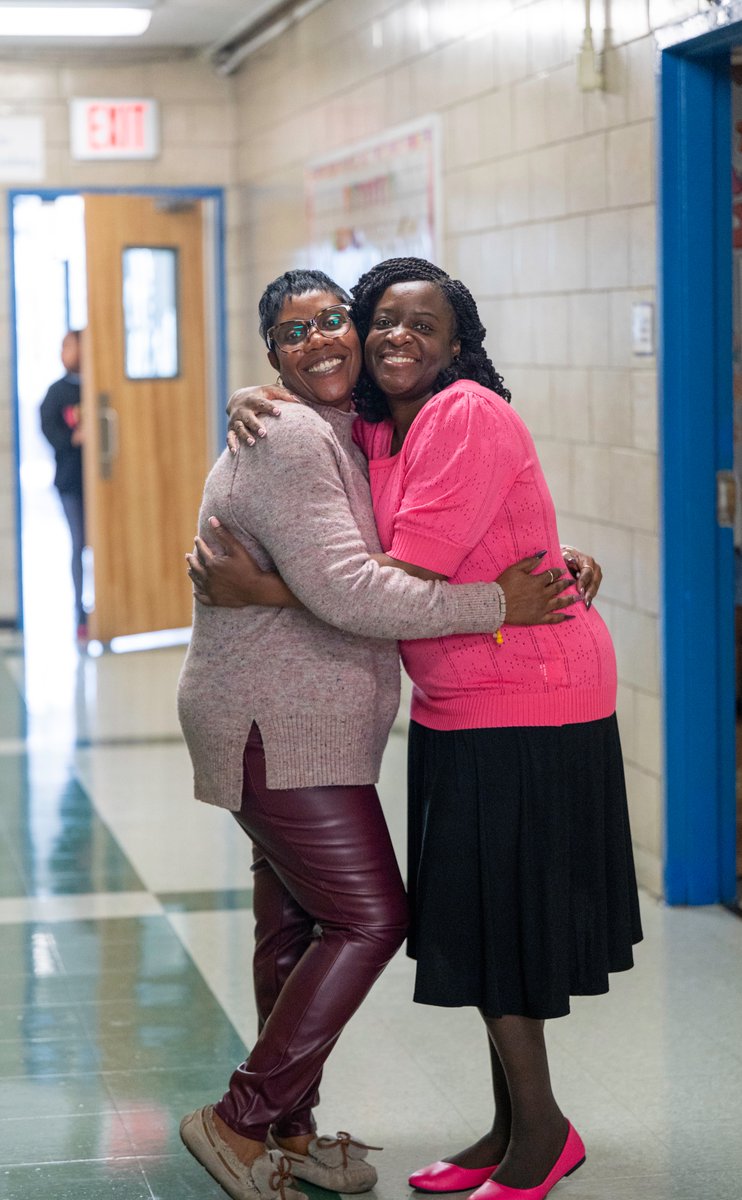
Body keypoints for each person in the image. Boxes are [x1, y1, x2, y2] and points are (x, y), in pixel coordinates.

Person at [216, 259, 642, 1200]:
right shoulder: (378, 425)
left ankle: (540, 1138)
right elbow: (315, 429)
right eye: (383, 323)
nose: (396, 337)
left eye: (424, 325)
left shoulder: (462, 414)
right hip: (459, 696)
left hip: (531, 693)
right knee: (488, 922)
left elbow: (396, 576)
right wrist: (259, 392)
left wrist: (262, 589)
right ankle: (510, 1128)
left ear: (459, 345)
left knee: (507, 928)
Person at [39, 328, 86, 640]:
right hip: (70, 483)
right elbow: (49, 429)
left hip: (99, 484)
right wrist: (73, 438)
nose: (64, 352)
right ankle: (80, 613)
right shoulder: (56, 393)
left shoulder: (96, 388)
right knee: (78, 544)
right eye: (63, 347)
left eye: (70, 346)